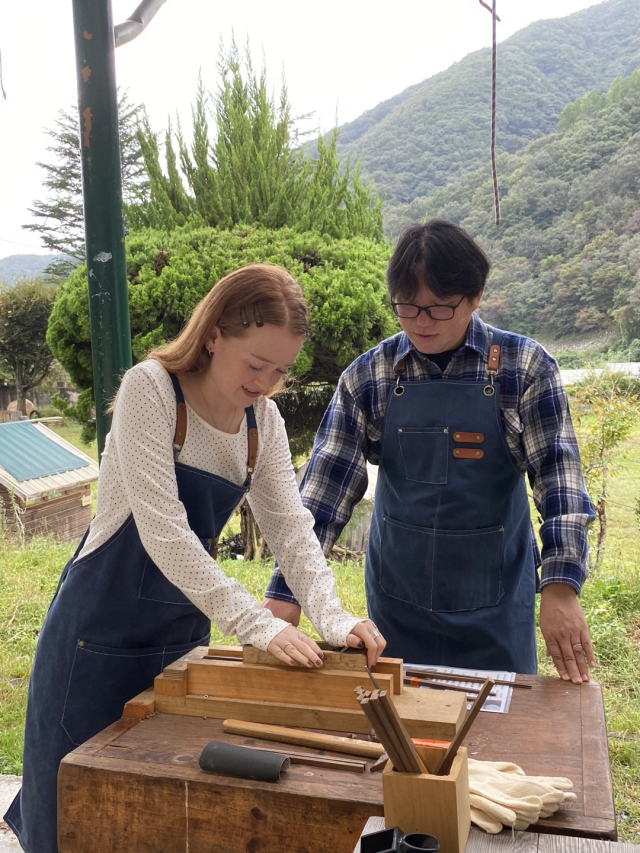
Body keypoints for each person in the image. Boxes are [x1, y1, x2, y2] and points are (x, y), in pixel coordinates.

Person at [5, 264, 385, 853]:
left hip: (180, 637)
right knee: (74, 810)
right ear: (213, 335)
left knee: (161, 812)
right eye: (255, 364)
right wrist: (256, 625)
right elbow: (165, 531)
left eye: (280, 370)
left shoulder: (265, 424)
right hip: (92, 636)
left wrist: (334, 619)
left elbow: (291, 528)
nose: (265, 382)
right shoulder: (150, 389)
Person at [264, 220, 597, 683]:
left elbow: (560, 483)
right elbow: (325, 491)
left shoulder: (524, 368)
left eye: (439, 309)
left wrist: (561, 588)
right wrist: (287, 591)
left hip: (495, 605)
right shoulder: (370, 375)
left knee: (496, 736)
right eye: (407, 307)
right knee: (400, 735)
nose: (421, 323)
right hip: (398, 603)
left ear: (475, 296)